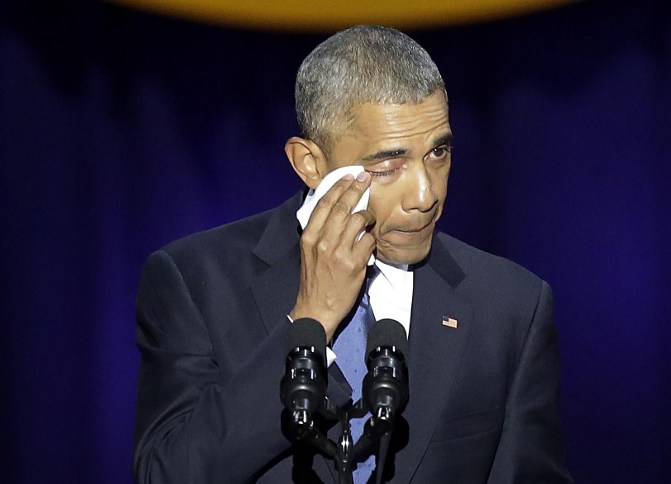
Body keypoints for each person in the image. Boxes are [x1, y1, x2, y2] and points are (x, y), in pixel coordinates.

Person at [133, 25, 572, 483]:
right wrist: (312, 319)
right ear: (310, 163)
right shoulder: (195, 280)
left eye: (438, 152)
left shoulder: (510, 305)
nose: (424, 194)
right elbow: (165, 473)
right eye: (387, 165)